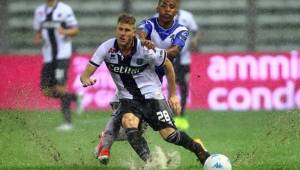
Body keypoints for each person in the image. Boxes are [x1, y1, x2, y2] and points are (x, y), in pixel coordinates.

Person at [80, 14, 210, 166]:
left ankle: (198, 148)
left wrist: (173, 94)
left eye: (127, 30)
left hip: (152, 96)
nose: (123, 33)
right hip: (127, 98)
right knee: (128, 122)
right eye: (120, 29)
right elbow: (86, 73)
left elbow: (167, 65)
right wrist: (86, 79)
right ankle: (151, 162)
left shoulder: (146, 49)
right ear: (116, 30)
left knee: (169, 135)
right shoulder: (107, 48)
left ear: (133, 32)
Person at [33, 0, 83, 131]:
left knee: (60, 87)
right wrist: (38, 37)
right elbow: (38, 31)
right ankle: (75, 97)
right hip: (48, 56)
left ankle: (68, 123)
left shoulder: (64, 9)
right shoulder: (39, 11)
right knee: (46, 91)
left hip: (62, 55)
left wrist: (65, 32)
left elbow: (76, 30)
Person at [173, 0, 202, 130]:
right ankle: (172, 116)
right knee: (171, 87)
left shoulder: (187, 16)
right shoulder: (161, 17)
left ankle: (182, 116)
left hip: (184, 59)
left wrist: (195, 40)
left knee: (184, 86)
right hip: (170, 58)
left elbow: (196, 31)